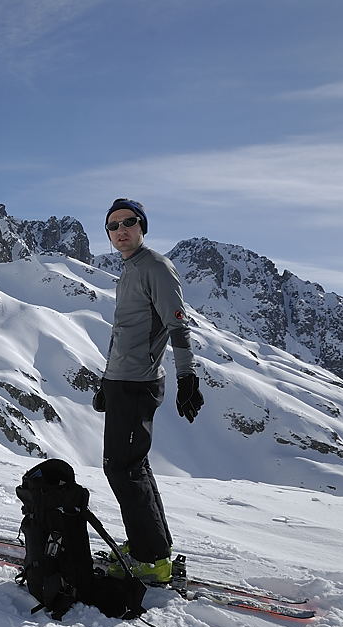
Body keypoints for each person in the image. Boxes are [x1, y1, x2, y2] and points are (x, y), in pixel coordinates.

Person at [92, 198, 204, 583]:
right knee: (132, 465)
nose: (120, 230)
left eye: (129, 222)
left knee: (121, 468)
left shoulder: (155, 266)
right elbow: (125, 331)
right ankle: (153, 545)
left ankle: (151, 559)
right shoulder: (131, 268)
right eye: (113, 225)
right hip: (123, 380)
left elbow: (178, 325)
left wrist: (187, 376)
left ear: (143, 226)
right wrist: (107, 380)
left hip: (137, 383)